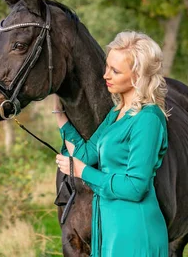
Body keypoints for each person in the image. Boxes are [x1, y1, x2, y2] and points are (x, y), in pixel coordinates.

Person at [54, 31, 169, 257]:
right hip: (109, 225)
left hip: (134, 229)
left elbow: (136, 187)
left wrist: (83, 172)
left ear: (138, 76)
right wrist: (60, 117)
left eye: (115, 71)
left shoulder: (148, 119)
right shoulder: (116, 113)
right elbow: (85, 154)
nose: (106, 75)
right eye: (107, 67)